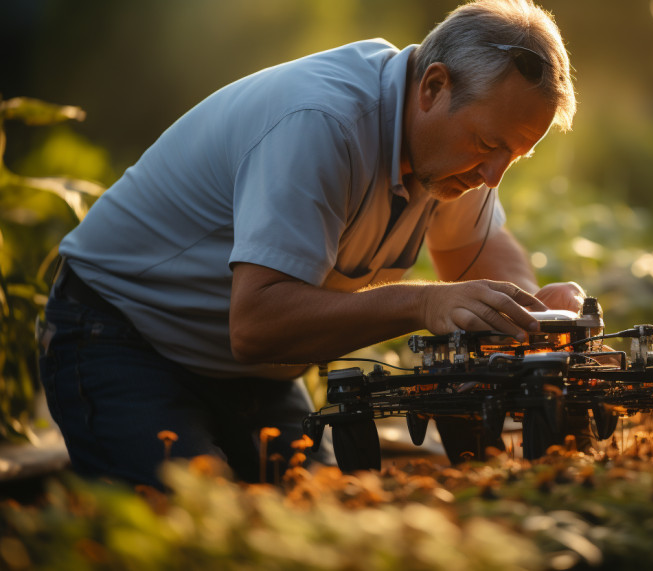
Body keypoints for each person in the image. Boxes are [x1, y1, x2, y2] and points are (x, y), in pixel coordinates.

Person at [38, 0, 583, 486]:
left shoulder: (451, 148)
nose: (493, 176)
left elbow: (479, 253)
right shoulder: (321, 123)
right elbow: (255, 324)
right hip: (120, 337)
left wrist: (534, 318)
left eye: (514, 154)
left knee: (325, 519)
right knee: (201, 532)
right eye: (489, 145)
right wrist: (422, 301)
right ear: (433, 87)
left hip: (253, 372)